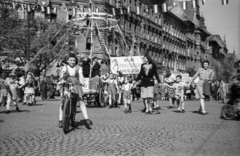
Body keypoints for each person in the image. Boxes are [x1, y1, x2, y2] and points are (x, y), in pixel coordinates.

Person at [59, 53, 92, 128]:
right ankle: (60, 119)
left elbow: (81, 75)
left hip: (76, 84)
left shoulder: (78, 67)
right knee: (62, 101)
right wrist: (61, 79)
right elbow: (62, 74)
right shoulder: (65, 67)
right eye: (71, 60)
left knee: (80, 100)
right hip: (67, 84)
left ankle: (86, 118)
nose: (72, 62)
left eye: (74, 60)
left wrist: (82, 81)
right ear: (67, 61)